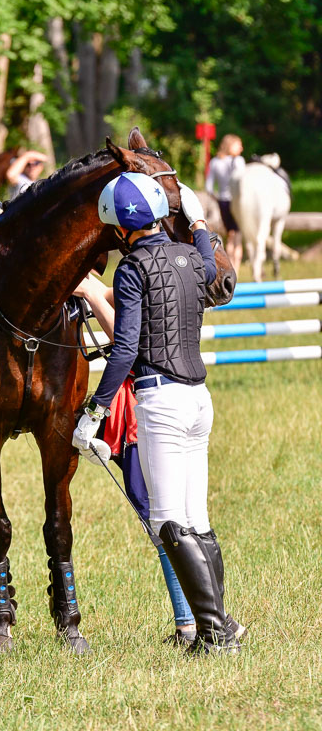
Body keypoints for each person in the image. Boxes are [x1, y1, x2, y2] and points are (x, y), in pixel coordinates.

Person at [72, 172, 242, 655]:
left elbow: (124, 349)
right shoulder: (191, 257)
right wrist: (200, 219)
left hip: (161, 401)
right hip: (199, 400)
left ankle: (216, 633)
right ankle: (215, 628)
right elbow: (210, 258)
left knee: (169, 524)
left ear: (121, 227)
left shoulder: (130, 271)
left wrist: (95, 409)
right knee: (198, 520)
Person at [205, 134, 245, 277]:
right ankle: (237, 269)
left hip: (223, 201)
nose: (241, 148)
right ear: (230, 146)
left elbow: (209, 187)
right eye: (238, 145)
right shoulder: (238, 161)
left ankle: (230, 268)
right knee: (238, 235)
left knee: (230, 235)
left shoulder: (215, 162)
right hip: (237, 201)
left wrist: (218, 198)